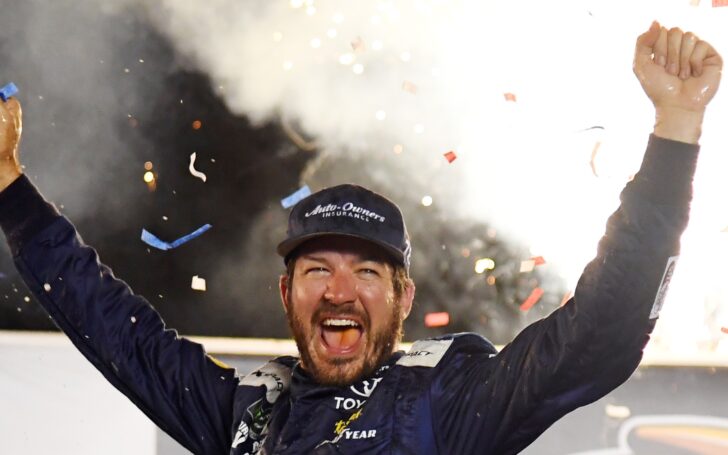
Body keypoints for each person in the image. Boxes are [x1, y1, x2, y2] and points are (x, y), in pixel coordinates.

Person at [0, 21, 722, 455]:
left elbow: (603, 329)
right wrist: (10, 187)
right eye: (317, 269)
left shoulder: (450, 398)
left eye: (368, 273)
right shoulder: (246, 411)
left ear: (404, 298)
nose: (339, 291)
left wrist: (677, 130)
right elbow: (111, 325)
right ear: (285, 291)